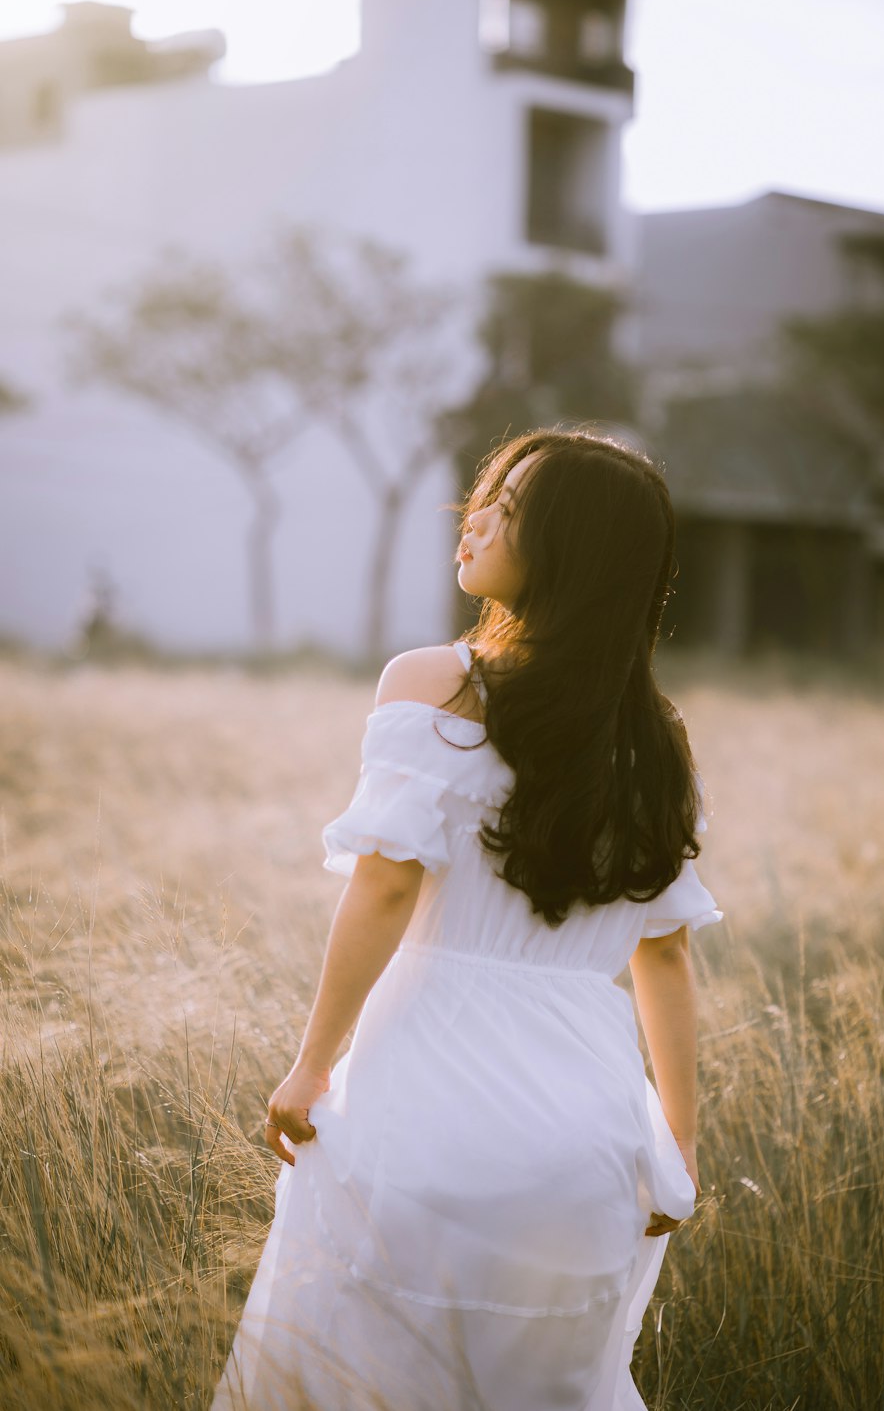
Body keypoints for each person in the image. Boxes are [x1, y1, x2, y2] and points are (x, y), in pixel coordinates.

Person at [211, 427, 723, 1411]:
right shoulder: (658, 746)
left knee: (345, 1379)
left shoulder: (433, 683)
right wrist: (677, 1153)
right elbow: (664, 960)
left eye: (510, 507)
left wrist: (312, 1063)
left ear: (568, 552)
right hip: (589, 1144)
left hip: (426, 1103)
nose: (472, 517)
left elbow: (386, 888)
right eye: (484, 493)